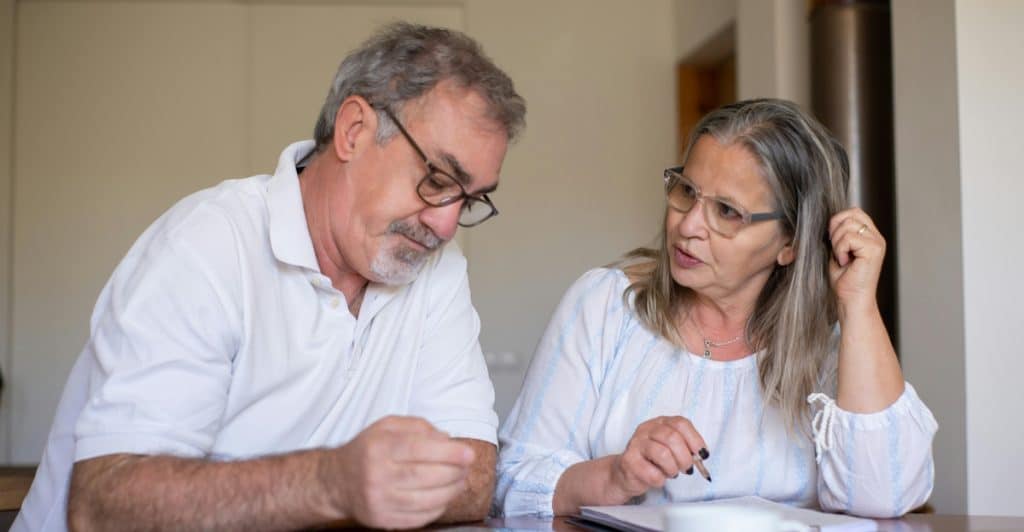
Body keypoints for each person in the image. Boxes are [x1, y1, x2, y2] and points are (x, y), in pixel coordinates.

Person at [15, 22, 525, 531]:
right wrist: (330, 483)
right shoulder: (209, 245)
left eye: (471, 198)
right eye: (437, 180)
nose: (446, 223)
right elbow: (105, 505)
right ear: (353, 131)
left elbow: (474, 475)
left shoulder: (438, 268)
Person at [494, 99, 936, 519]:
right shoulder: (605, 307)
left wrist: (858, 305)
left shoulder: (829, 349)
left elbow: (887, 494)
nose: (687, 226)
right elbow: (512, 483)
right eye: (686, 191)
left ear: (791, 244)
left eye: (727, 211)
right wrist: (616, 476)